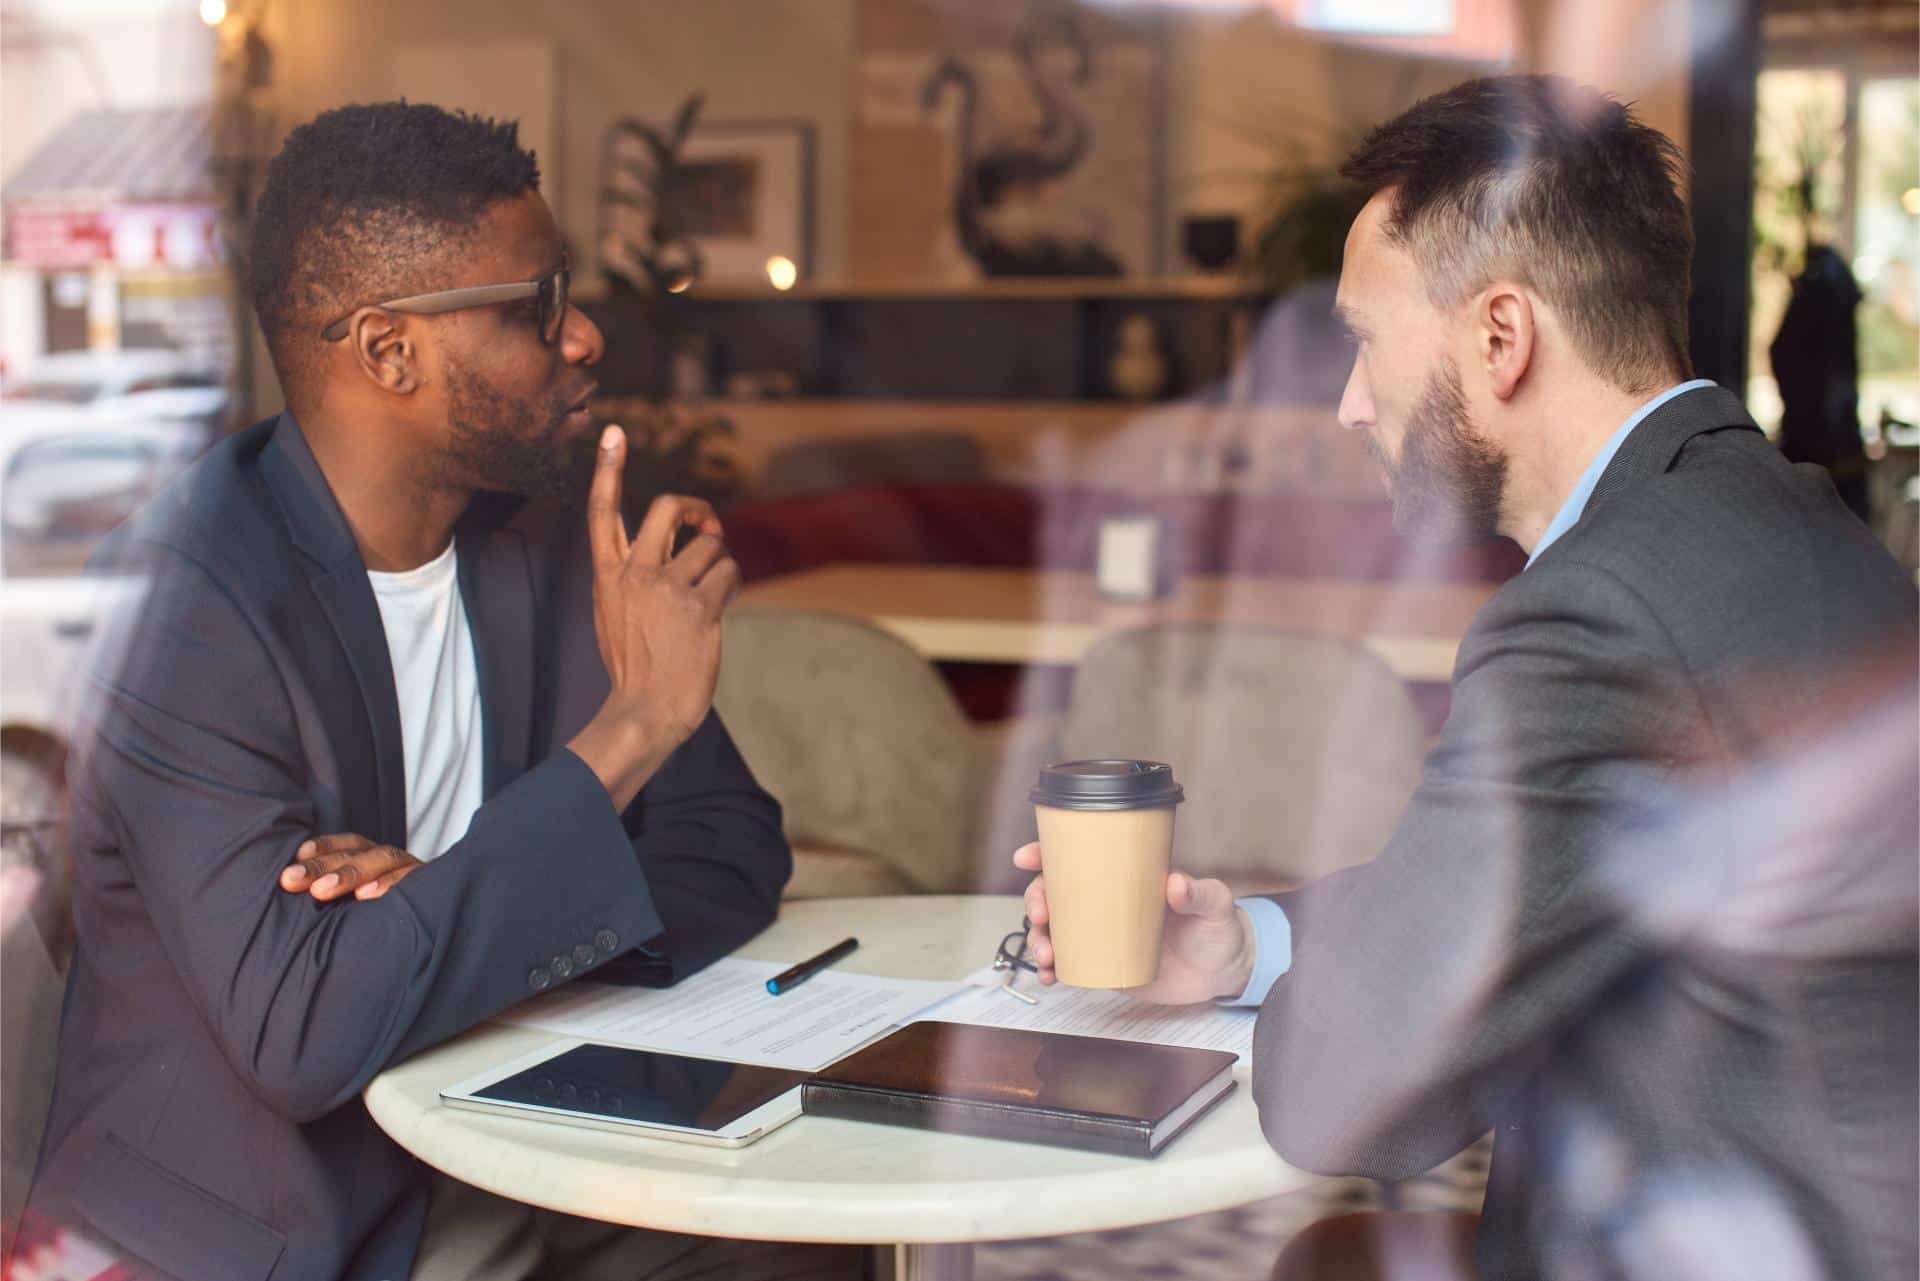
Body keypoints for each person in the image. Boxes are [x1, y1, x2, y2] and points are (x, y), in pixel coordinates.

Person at [1014, 76, 1918, 1281]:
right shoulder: (1781, 520)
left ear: (1502, 336)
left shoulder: (1598, 613)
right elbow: (1507, 897)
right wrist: (1248, 951)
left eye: (1361, 340)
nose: (1348, 404)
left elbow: (1348, 1102)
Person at [15, 103, 857, 1281]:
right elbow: (305, 1034)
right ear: (387, 350)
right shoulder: (187, 602)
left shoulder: (551, 545)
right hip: (271, 1227)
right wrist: (629, 733)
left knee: (813, 1246)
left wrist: (459, 915)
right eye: (534, 308)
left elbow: (732, 848)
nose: (582, 338)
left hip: (519, 1153)